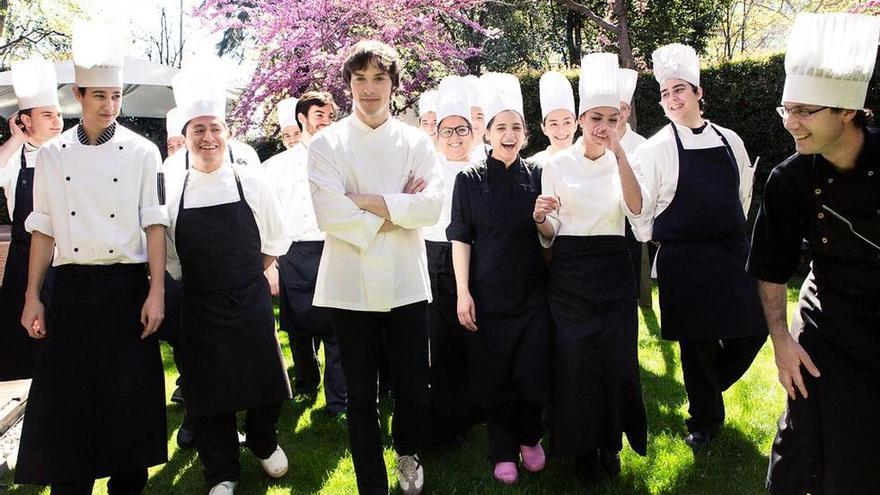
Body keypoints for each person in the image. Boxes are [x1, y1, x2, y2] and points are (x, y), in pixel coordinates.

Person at [15, 22, 168, 494]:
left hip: (126, 291)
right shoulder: (53, 156)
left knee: (128, 414)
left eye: (116, 96)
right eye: (99, 95)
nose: (109, 106)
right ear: (78, 95)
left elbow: (154, 224)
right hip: (74, 293)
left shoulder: (143, 151)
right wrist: (32, 297)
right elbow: (43, 231)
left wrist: (157, 291)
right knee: (68, 412)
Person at [746, 13, 880, 495]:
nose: (790, 123)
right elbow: (769, 268)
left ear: (847, 110)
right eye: (786, 109)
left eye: (804, 110)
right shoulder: (789, 179)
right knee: (802, 454)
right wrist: (782, 340)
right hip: (827, 328)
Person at [308, 40, 443, 495]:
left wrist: (363, 202)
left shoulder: (417, 141)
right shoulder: (327, 143)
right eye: (360, 79)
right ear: (347, 84)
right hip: (348, 286)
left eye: (379, 79)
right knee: (361, 397)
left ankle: (408, 454)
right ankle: (371, 483)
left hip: (406, 282)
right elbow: (329, 214)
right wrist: (396, 206)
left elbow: (430, 207)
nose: (369, 89)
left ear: (394, 85)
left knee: (413, 391)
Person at [630, 43, 767, 451]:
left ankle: (709, 388)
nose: (672, 100)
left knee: (754, 331)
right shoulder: (656, 148)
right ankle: (704, 422)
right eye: (666, 93)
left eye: (679, 91)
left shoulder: (731, 140)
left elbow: (743, 194)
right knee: (697, 345)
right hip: (683, 260)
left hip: (730, 253)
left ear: (698, 93)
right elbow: (643, 209)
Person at [165, 57, 292, 495]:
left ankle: (262, 438)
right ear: (185, 137)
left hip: (248, 297)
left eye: (215, 127)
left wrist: (242, 280)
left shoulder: (251, 180)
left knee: (265, 383)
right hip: (198, 303)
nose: (208, 137)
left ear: (228, 132)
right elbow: (170, 257)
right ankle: (220, 470)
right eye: (198, 129)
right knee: (207, 394)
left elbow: (274, 240)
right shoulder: (172, 187)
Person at [536, 53, 648, 485]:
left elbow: (637, 213)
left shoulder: (628, 161)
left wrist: (619, 153)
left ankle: (610, 444)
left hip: (613, 272)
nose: (604, 126)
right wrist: (540, 217)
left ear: (621, 120)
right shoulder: (556, 165)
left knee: (616, 361)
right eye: (596, 118)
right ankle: (581, 449)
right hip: (570, 275)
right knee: (576, 362)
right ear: (582, 119)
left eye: (612, 118)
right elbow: (551, 231)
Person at [448, 72, 550, 485]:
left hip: (531, 297)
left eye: (516, 127)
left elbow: (550, 237)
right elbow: (460, 238)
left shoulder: (538, 176)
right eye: (500, 127)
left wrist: (544, 220)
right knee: (494, 378)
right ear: (486, 133)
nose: (509, 134)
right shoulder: (468, 181)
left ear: (525, 134)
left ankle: (529, 437)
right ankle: (503, 450)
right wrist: (462, 293)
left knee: (530, 372)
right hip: (487, 298)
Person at [262, 91, 347, 417]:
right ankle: (306, 383)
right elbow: (269, 218)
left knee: (338, 328)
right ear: (302, 119)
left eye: (329, 116)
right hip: (293, 253)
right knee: (298, 327)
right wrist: (271, 266)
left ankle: (338, 401)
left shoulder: (343, 158)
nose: (325, 122)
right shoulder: (277, 167)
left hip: (334, 247)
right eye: (318, 116)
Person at [420, 75, 478, 447]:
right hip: (433, 259)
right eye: (447, 131)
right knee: (438, 345)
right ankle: (443, 422)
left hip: (477, 260)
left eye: (461, 130)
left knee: (472, 341)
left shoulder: (483, 169)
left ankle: (474, 413)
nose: (454, 138)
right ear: (437, 135)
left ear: (473, 133)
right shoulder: (424, 170)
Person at [0, 57, 62, 381]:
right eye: (47, 115)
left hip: (63, 266)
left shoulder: (70, 154)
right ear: (25, 120)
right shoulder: (15, 160)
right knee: (17, 359)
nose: (57, 122)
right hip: (22, 268)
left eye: (58, 114)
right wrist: (16, 139)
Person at [617, 68, 648, 296]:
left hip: (631, 225)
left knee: (630, 286)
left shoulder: (643, 146)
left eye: (623, 108)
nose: (618, 113)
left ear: (628, 112)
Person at [529, 71, 576, 165]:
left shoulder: (589, 163)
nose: (561, 130)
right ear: (544, 128)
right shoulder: (534, 165)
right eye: (554, 124)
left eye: (567, 122)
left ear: (576, 125)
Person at [465, 75, 488, 162]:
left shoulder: (497, 155)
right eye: (470, 116)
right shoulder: (443, 157)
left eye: (479, 117)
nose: (474, 122)